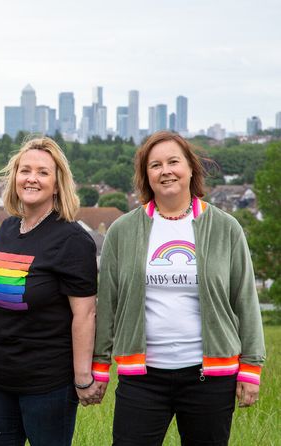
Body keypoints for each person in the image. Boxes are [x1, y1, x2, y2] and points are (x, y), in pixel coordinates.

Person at [92, 131, 266, 445]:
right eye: (155, 165)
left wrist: (251, 367)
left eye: (174, 161)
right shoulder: (123, 230)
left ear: (190, 168)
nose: (166, 170)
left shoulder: (226, 228)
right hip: (142, 378)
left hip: (210, 377)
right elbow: (107, 303)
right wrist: (100, 366)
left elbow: (245, 299)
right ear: (146, 175)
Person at [0, 137, 99, 446]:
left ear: (57, 184)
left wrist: (83, 377)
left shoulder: (72, 240)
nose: (31, 178)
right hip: (1, 381)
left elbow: (84, 314)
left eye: (43, 172)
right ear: (14, 177)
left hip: (47, 384)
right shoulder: (8, 229)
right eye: (24, 170)